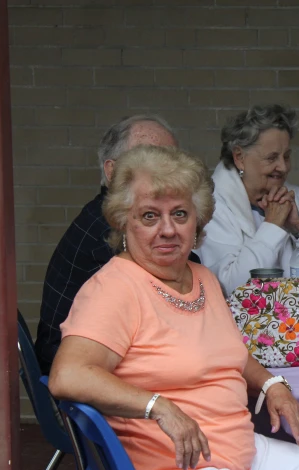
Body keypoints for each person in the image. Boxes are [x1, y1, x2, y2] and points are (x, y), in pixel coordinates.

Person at [48, 145, 299, 470]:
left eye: (179, 214)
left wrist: (270, 383)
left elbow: (228, 352)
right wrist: (158, 406)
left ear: (198, 222)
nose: (167, 229)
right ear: (123, 222)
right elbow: (68, 375)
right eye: (149, 216)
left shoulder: (202, 278)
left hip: (234, 448)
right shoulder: (114, 288)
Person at [34, 114, 189, 374]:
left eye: (172, 163)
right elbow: (178, 299)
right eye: (149, 161)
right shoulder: (109, 231)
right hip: (83, 374)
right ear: (112, 171)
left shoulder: (110, 214)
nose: (165, 175)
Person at [196, 104, 299, 295]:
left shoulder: (296, 197)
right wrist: (272, 226)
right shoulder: (213, 203)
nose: (283, 167)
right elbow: (232, 288)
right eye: (272, 158)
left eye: (286, 157)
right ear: (239, 157)